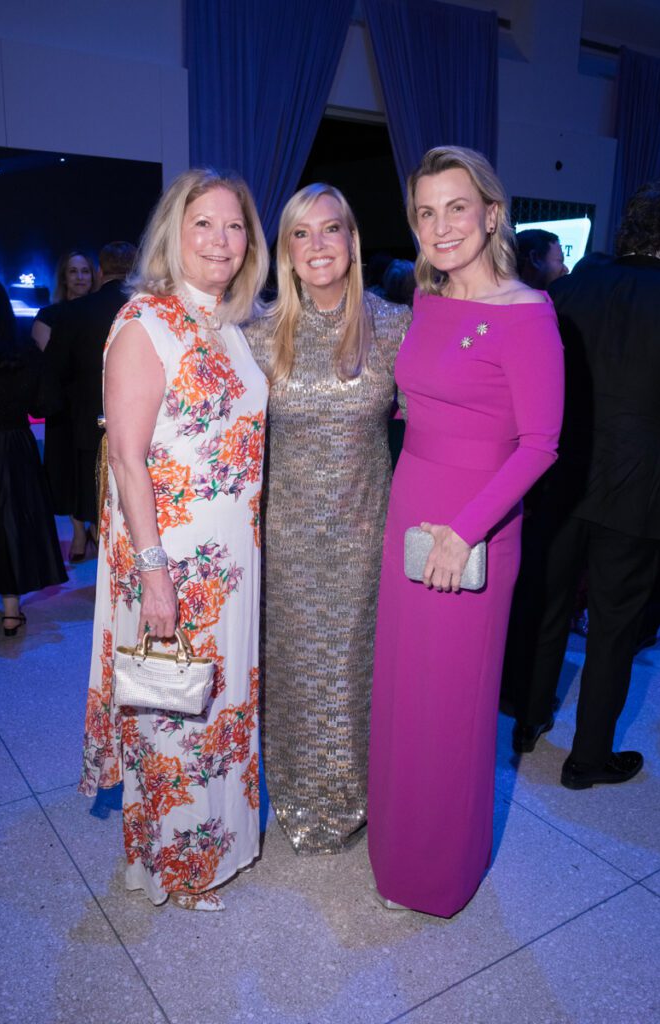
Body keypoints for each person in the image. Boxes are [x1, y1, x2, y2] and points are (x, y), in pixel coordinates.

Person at [367, 146, 564, 917]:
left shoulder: (528, 311)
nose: (440, 226)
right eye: (425, 211)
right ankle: (395, 849)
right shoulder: (425, 298)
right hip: (409, 513)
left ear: (491, 213)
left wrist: (464, 530)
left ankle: (438, 874)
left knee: (451, 703)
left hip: (471, 528)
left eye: (456, 207)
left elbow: (541, 445)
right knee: (405, 695)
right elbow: (418, 406)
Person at [78, 169, 269, 911]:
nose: (221, 240)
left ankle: (222, 842)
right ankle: (175, 865)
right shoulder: (144, 323)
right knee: (173, 712)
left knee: (222, 707)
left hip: (231, 558)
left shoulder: (231, 325)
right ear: (173, 234)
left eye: (234, 226)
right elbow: (126, 457)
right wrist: (155, 575)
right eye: (203, 225)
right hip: (172, 557)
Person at [245, 184, 410, 854]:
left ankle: (357, 795)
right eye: (302, 234)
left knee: (354, 670)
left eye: (332, 230)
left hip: (366, 531)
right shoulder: (258, 332)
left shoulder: (393, 324)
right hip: (283, 539)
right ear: (285, 249)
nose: (319, 246)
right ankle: (295, 795)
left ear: (352, 240)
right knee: (289, 670)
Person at [509, 181, 660, 789]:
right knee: (615, 627)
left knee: (546, 604)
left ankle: (525, 722)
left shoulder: (568, 289)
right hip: (641, 489)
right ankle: (587, 757)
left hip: (562, 479)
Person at [0, 276, 67, 635]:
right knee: (11, 524)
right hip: (14, 446)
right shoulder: (25, 352)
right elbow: (44, 404)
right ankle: (11, 611)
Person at [50, 242, 137, 539]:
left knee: (97, 502)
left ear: (100, 272)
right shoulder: (147, 307)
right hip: (143, 420)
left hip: (88, 422)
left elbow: (57, 371)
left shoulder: (74, 312)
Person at [31, 251, 97, 560]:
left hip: (96, 401)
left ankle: (96, 526)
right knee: (69, 469)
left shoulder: (99, 310)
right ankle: (79, 533)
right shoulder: (49, 314)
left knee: (94, 467)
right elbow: (50, 362)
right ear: (64, 277)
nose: (81, 277)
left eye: (85, 271)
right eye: (74, 271)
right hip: (64, 405)